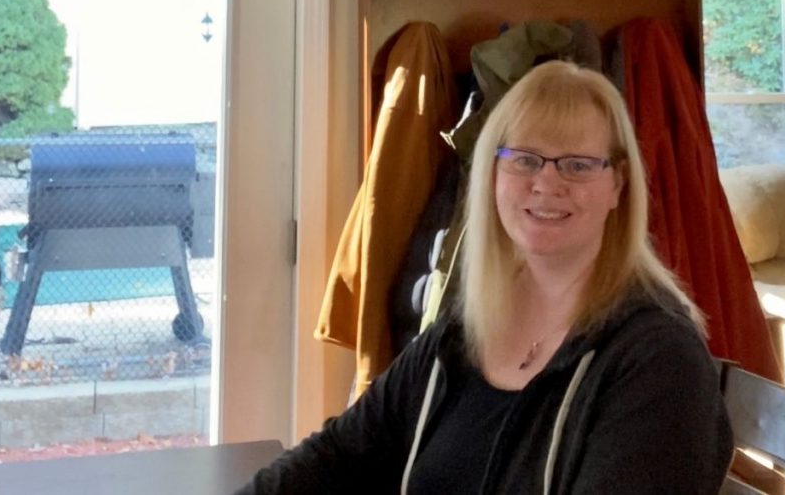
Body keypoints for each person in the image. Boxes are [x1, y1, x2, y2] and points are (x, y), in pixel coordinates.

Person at [236, 60, 732, 494]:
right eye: (525, 159)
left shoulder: (660, 361)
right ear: (493, 176)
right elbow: (341, 457)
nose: (546, 183)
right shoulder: (468, 326)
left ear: (618, 186)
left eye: (578, 165)